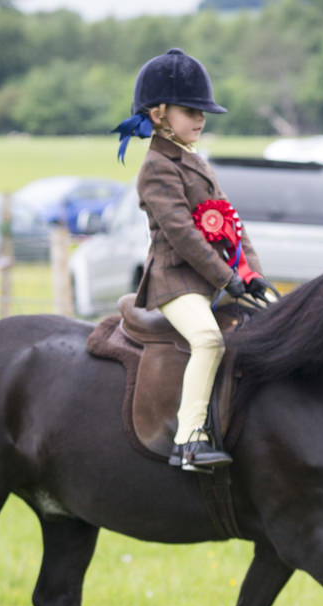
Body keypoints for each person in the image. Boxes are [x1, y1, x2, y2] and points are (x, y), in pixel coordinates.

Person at [111, 48, 271, 473]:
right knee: (208, 340)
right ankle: (188, 441)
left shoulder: (195, 161)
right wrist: (226, 278)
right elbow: (182, 234)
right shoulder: (157, 168)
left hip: (209, 281)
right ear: (159, 113)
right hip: (176, 283)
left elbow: (230, 224)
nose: (200, 119)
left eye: (203, 112)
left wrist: (250, 273)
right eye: (190, 111)